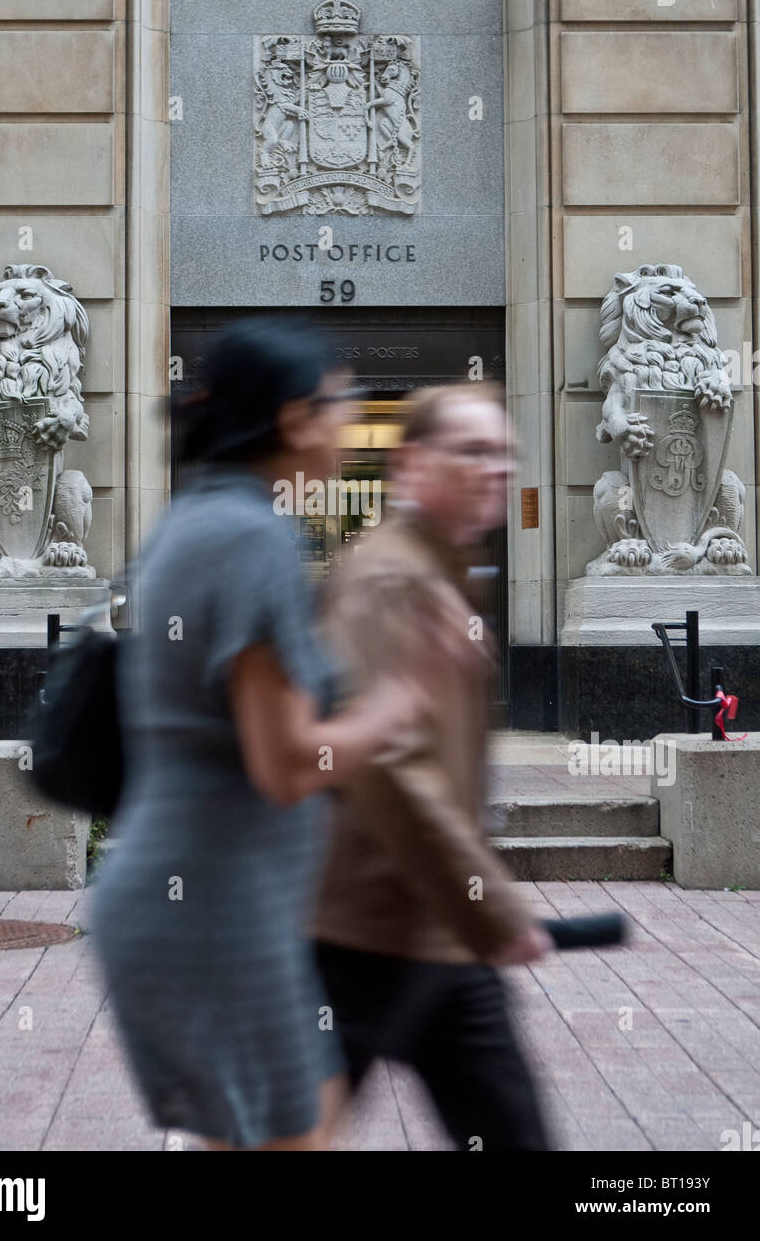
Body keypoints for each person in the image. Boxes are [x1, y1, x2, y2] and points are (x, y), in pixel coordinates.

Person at [91, 315, 428, 1151]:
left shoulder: (197, 518)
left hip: (204, 903)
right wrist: (396, 706)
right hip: (214, 912)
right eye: (341, 399)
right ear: (293, 418)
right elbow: (285, 762)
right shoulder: (253, 537)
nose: (352, 417)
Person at [313, 382, 554, 1152]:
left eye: (505, 453)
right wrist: (490, 906)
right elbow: (388, 763)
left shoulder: (442, 569)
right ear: (412, 464)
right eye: (474, 451)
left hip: (428, 928)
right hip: (363, 929)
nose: (498, 469)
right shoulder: (391, 577)